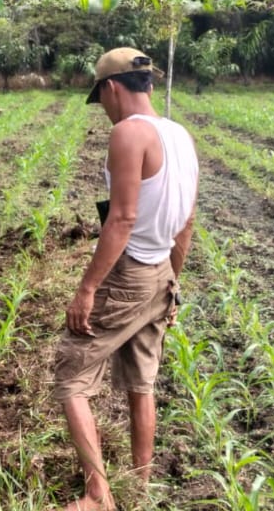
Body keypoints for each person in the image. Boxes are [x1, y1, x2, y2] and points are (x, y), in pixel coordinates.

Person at [53, 48, 199, 511]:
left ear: (112, 88)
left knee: (71, 375)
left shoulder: (128, 133)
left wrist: (87, 288)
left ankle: (98, 495)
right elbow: (186, 223)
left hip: (129, 273)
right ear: (148, 84)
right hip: (161, 272)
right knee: (141, 382)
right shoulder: (181, 136)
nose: (104, 109)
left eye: (101, 99)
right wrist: (173, 286)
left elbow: (122, 219)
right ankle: (140, 484)